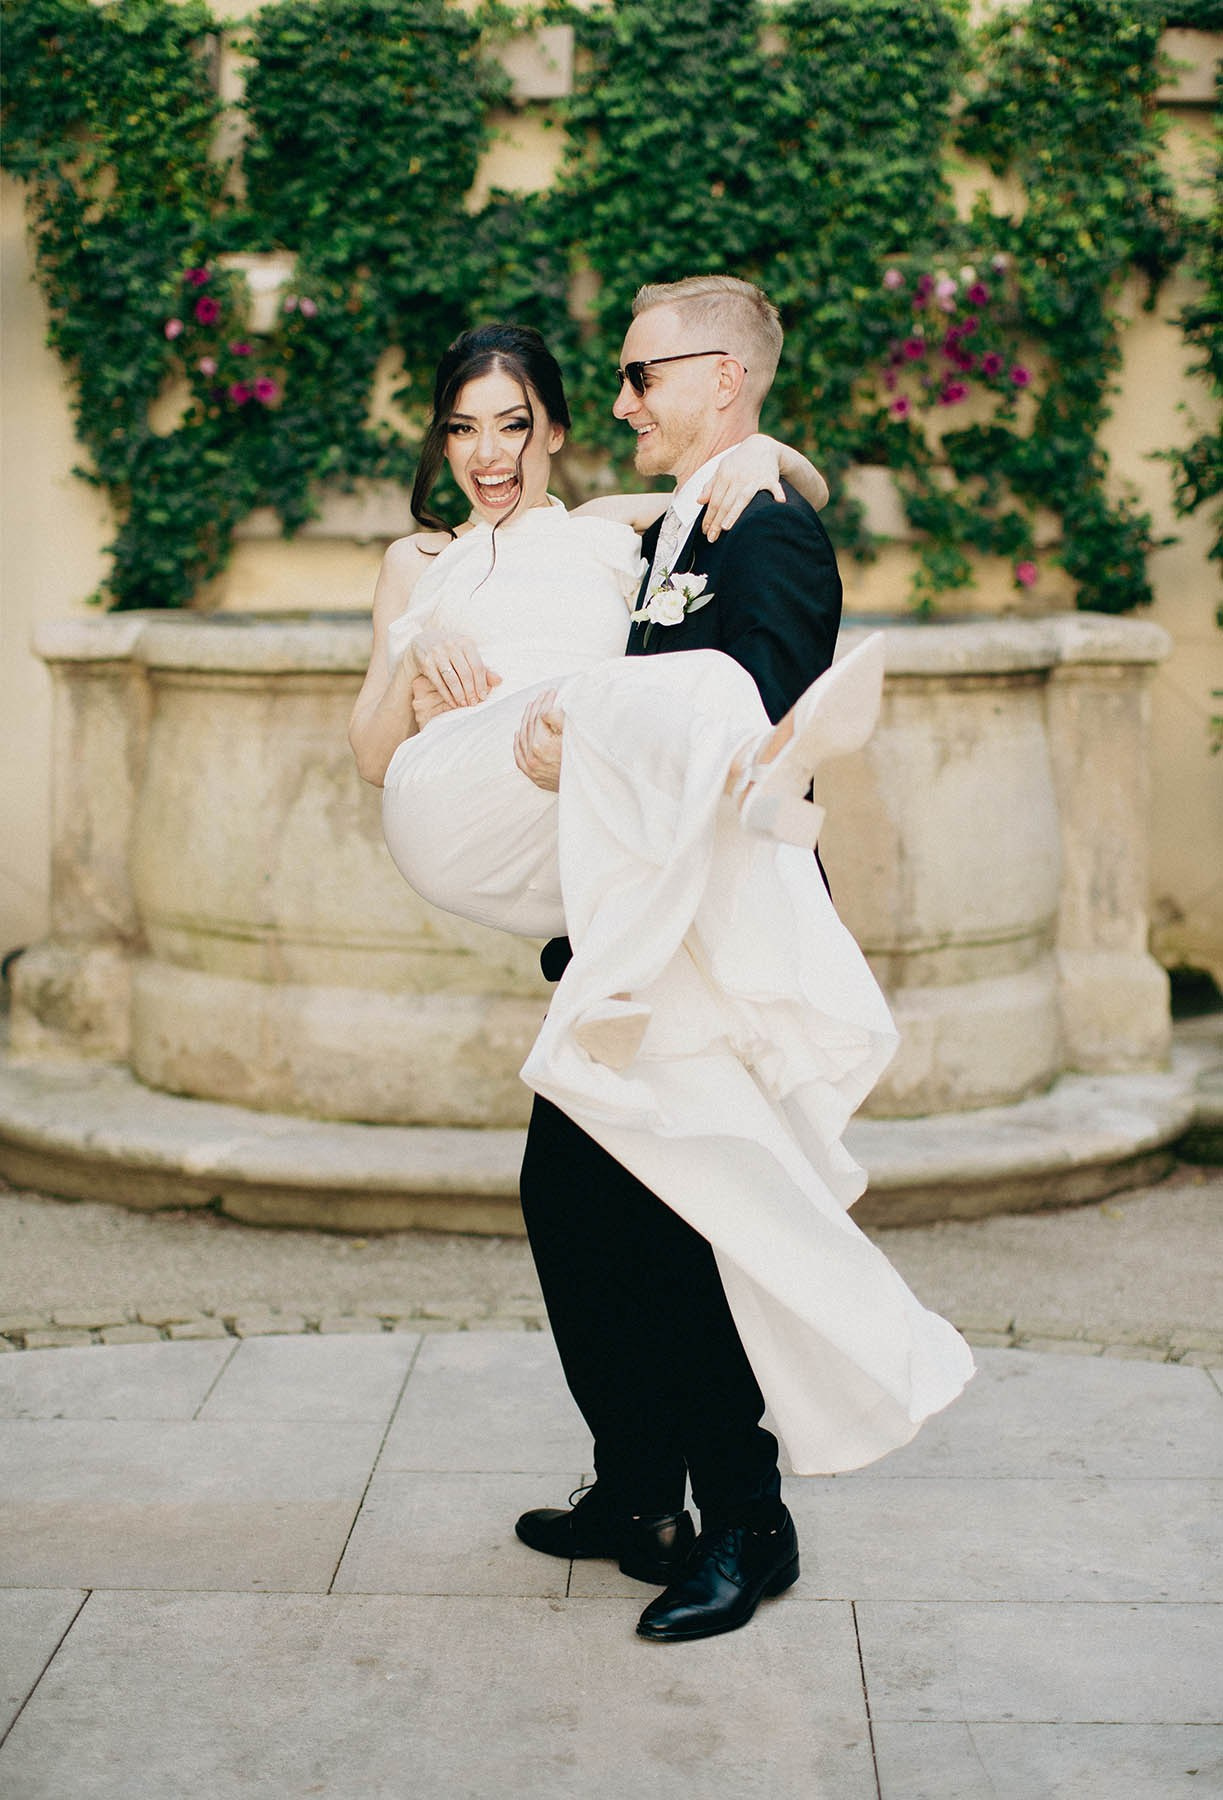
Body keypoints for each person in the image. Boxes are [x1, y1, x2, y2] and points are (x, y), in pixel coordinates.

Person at [350, 294, 973, 1646]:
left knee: (683, 1233)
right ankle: (638, 1492)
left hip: (701, 932)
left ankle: (747, 1521)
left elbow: (755, 712)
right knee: (574, 1212)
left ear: (723, 377)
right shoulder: (687, 515)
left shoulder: (770, 526)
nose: (623, 400)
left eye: (640, 377)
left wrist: (596, 736)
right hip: (626, 932)